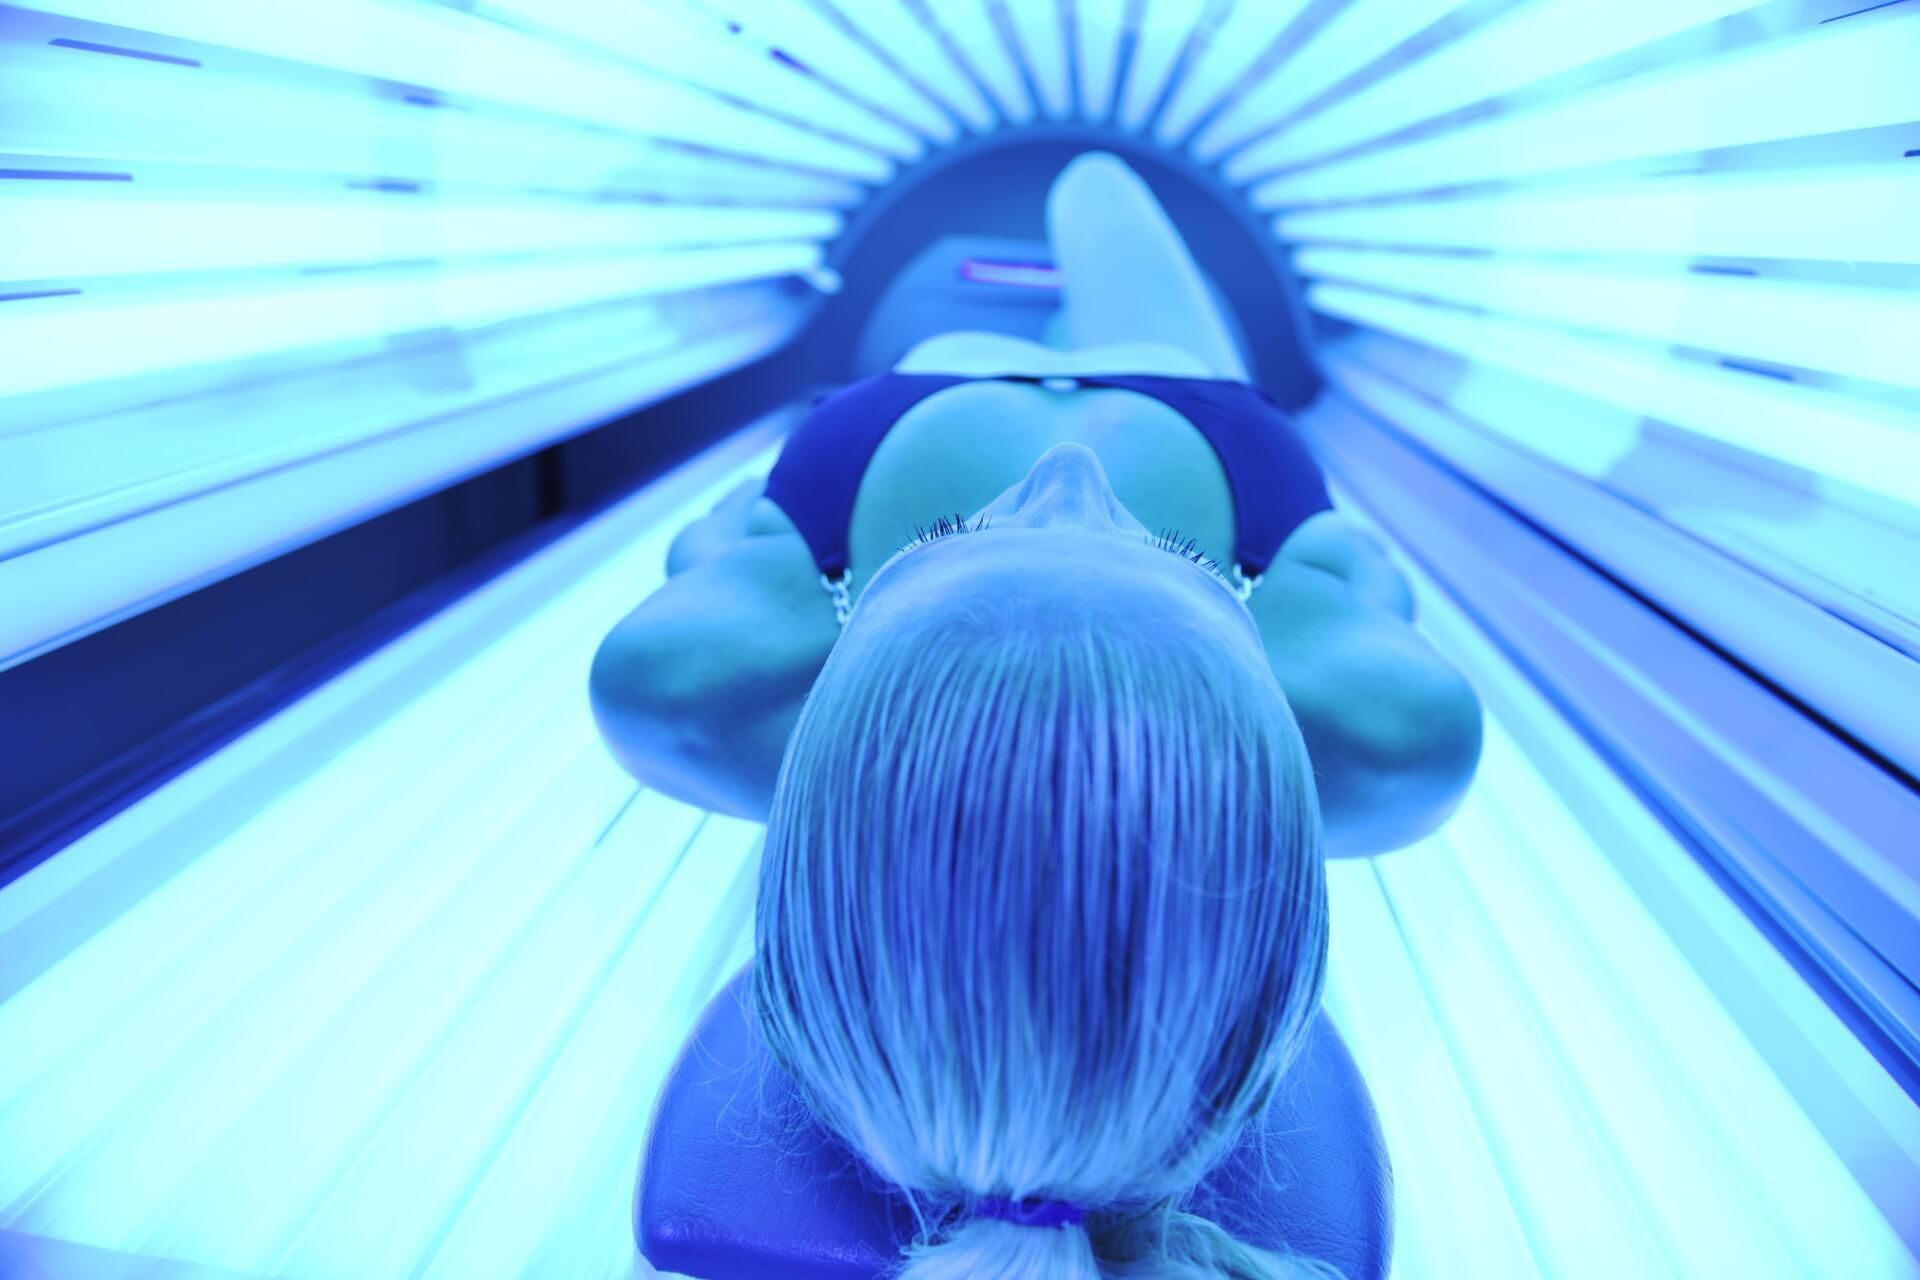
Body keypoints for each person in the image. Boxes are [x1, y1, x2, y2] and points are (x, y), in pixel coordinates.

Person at [590, 151, 1481, 859]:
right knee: (1093, 185)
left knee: (1095, 188)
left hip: (1167, 415)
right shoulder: (687, 689)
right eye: (1153, 547)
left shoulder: (1371, 739)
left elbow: (1367, 576)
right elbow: (716, 536)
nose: (1068, 471)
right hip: (1038, 406)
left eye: (959, 536)